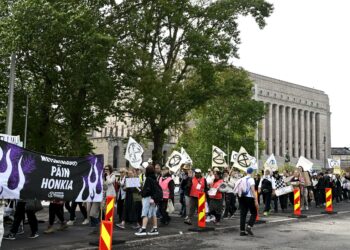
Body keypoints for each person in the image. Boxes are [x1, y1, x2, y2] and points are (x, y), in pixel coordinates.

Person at [135, 165, 159, 236]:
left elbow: (147, 190)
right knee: (153, 213)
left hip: (148, 198)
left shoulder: (148, 179)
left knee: (144, 212)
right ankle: (155, 228)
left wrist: (141, 192)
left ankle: (143, 229)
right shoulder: (155, 178)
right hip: (153, 198)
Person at [238, 167, 258, 236]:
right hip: (249, 197)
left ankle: (242, 231)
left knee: (243, 214)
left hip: (242, 197)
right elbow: (253, 190)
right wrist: (256, 200)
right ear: (252, 172)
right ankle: (249, 227)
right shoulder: (251, 179)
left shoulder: (242, 178)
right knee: (254, 213)